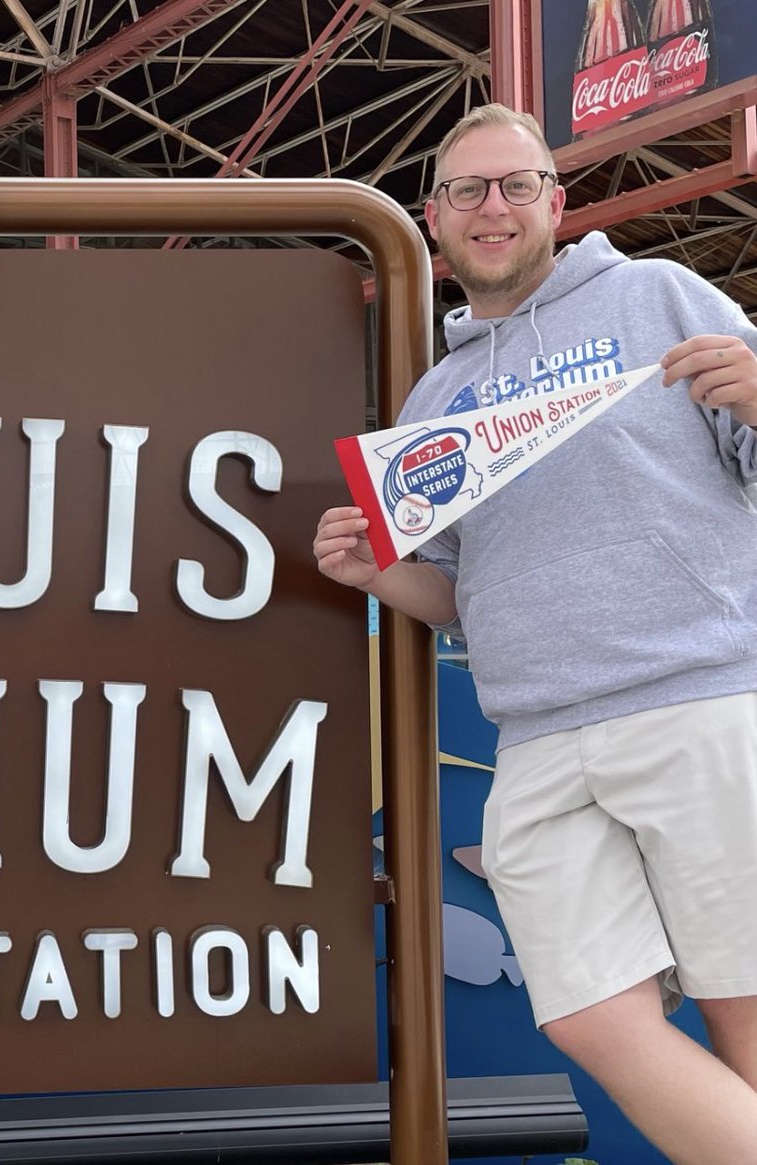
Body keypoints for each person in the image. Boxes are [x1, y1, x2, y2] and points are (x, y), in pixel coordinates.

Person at [314, 102, 757, 1164]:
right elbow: (463, 593)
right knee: (587, 1016)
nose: (494, 207)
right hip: (538, 739)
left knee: (744, 1011)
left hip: (695, 698)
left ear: (557, 203)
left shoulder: (658, 295)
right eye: (469, 190)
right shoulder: (436, 397)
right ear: (436, 219)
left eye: (516, 184)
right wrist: (382, 575)